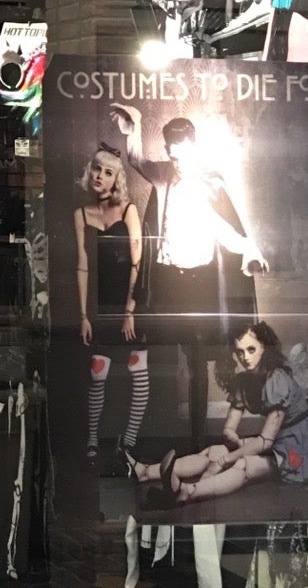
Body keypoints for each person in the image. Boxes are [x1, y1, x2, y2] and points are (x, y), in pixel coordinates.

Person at [108, 104, 266, 441]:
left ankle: (198, 437)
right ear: (167, 151)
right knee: (164, 354)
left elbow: (226, 228)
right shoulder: (163, 175)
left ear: (194, 146)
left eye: (183, 154)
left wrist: (250, 249)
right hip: (168, 281)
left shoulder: (210, 181)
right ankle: (163, 435)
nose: (178, 162)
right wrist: (135, 127)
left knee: (197, 358)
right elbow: (137, 160)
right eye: (172, 155)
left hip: (200, 282)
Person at [131, 321, 308, 503]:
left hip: (301, 444)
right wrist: (231, 438)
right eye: (240, 352)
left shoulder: (277, 378)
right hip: (277, 438)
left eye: (251, 349)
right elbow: (230, 427)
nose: (245, 357)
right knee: (213, 452)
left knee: (244, 464)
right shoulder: (244, 382)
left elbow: (266, 441)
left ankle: (187, 492)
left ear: (264, 348)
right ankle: (145, 472)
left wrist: (224, 461)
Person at [72, 145, 147, 457]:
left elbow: (138, 261)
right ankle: (92, 440)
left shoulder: (129, 211)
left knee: (138, 374)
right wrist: (83, 316)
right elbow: (82, 265)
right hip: (100, 306)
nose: (99, 176)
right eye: (96, 169)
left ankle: (128, 443)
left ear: (117, 178)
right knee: (97, 374)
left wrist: (130, 309)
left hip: (129, 304)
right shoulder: (81, 214)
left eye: (108, 172)